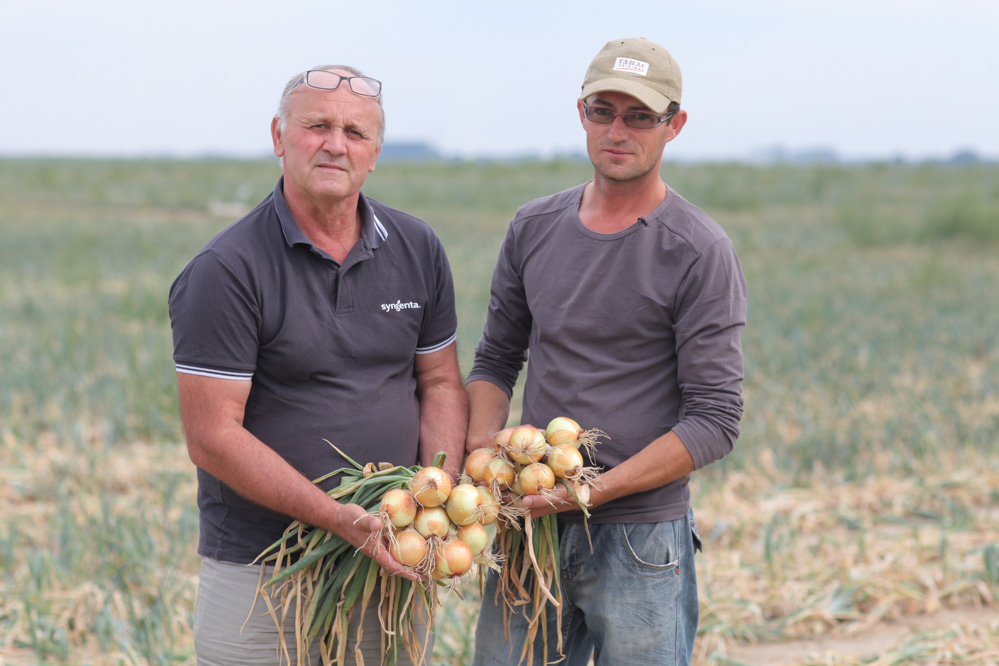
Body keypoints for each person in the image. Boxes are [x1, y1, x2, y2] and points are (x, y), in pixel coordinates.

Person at [168, 64, 467, 665]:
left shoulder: (418, 248)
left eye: (355, 132)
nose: (336, 144)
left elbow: (439, 383)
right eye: (317, 126)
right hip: (264, 569)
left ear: (376, 153)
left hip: (388, 555)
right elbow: (212, 437)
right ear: (280, 138)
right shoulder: (227, 269)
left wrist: (438, 494)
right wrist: (336, 518)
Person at [465, 38, 747, 666]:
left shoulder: (697, 249)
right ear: (581, 112)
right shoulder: (533, 226)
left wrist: (592, 492)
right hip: (530, 530)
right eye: (603, 111)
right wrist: (483, 454)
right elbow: (495, 360)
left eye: (640, 116)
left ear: (674, 125)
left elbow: (715, 420)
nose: (618, 131)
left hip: (641, 538)